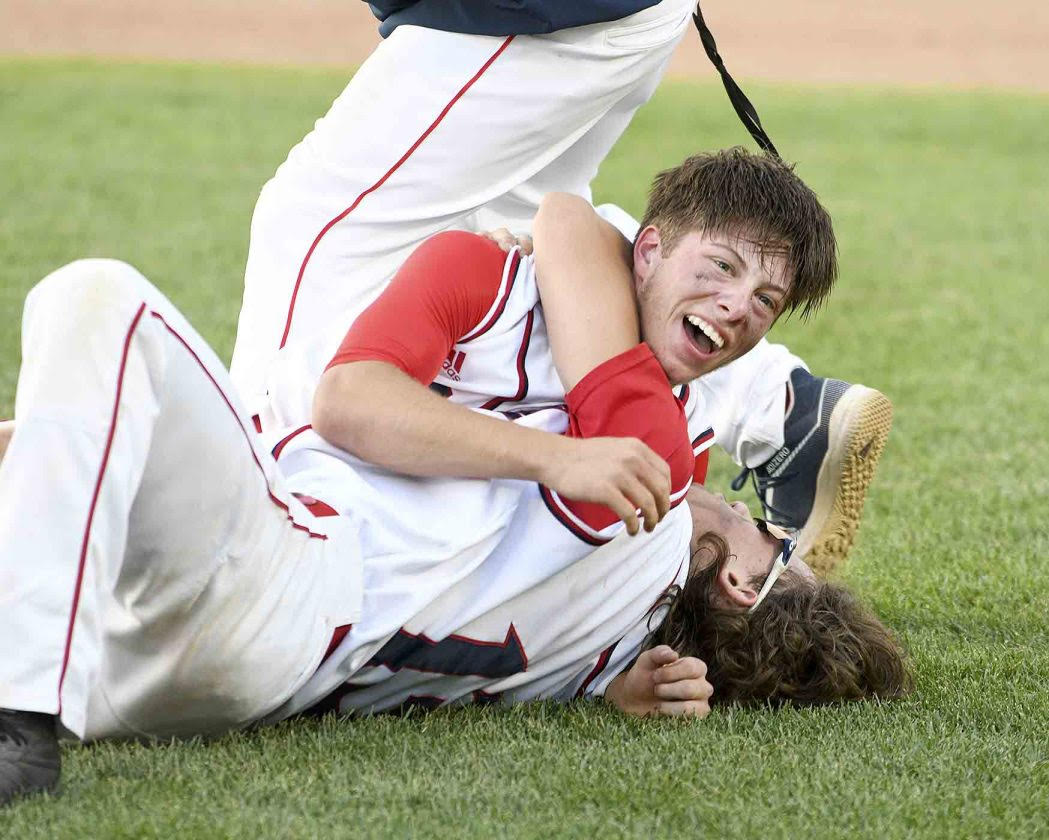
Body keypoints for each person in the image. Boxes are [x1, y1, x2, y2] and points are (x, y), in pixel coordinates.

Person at [0, 252, 908, 805]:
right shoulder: (595, 662)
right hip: (190, 690)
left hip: (277, 586)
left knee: (99, 298)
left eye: (766, 541)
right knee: (64, 445)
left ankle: (23, 712)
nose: (747, 514)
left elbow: (567, 225)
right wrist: (621, 695)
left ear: (738, 585)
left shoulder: (649, 513)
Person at [229, 0, 892, 571]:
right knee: (526, 231)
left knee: (314, 220)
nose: (737, 304)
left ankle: (256, 512)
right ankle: (779, 407)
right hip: (583, 19)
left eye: (762, 301)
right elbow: (564, 227)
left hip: (548, 16)